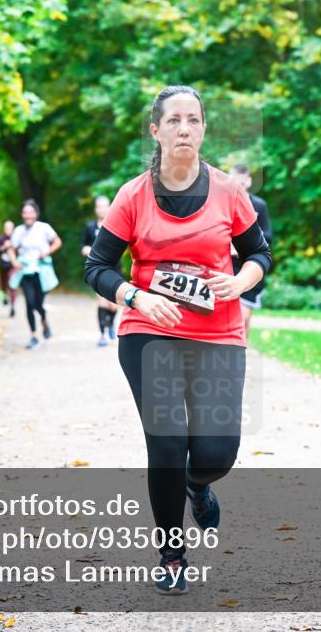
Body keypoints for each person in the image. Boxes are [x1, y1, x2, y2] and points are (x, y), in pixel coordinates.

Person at [84, 85, 271, 594]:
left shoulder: (230, 193)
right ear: (156, 130)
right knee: (166, 443)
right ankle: (171, 555)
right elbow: (97, 266)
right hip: (151, 332)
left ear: (203, 129)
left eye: (193, 120)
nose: (183, 128)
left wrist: (241, 280)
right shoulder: (133, 195)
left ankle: (198, 484)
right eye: (173, 121)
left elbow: (261, 254)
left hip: (218, 331)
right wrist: (135, 296)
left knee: (216, 454)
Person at [9, 200, 62, 350]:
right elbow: (11, 249)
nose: (28, 215)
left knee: (38, 303)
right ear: (22, 214)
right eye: (25, 212)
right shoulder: (18, 231)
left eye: (30, 212)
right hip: (25, 271)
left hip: (41, 271)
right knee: (29, 303)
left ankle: (44, 320)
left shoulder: (43, 228)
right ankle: (33, 335)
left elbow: (57, 241)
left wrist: (47, 251)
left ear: (36, 214)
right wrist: (14, 261)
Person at [228, 164, 273, 337]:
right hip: (226, 267)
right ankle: (237, 352)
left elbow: (267, 237)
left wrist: (243, 246)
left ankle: (242, 351)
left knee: (243, 317)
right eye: (233, 182)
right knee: (231, 318)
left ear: (248, 182)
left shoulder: (259, 206)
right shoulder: (222, 204)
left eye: (241, 182)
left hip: (248, 266)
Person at [81, 196, 119, 346]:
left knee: (113, 304)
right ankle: (102, 334)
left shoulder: (116, 224)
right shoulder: (90, 227)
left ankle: (110, 324)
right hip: (98, 268)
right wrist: (90, 251)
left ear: (110, 207)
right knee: (102, 301)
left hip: (115, 268)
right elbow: (83, 246)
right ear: (96, 209)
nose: (102, 209)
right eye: (99, 206)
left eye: (105, 206)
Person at [0, 220, 18, 318]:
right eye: (7, 228)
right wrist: (3, 247)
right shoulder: (0, 239)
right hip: (2, 266)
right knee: (3, 284)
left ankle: (13, 306)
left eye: (10, 228)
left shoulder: (16, 239)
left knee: (12, 284)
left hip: (13, 266)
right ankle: (4, 296)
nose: (8, 230)